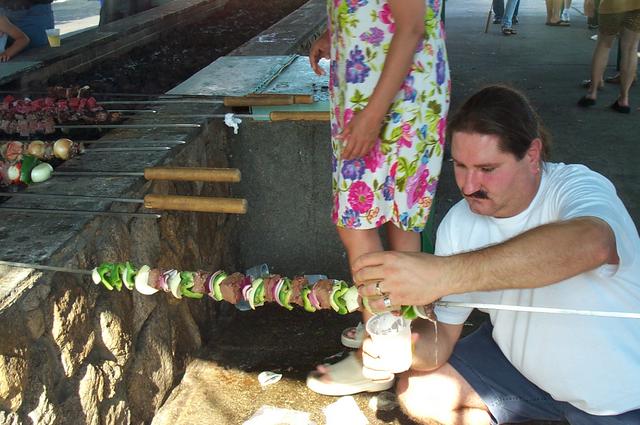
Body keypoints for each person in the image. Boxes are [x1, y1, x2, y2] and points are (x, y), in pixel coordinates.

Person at [353, 85, 640, 424]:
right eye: (460, 165)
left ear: (532, 155)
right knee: (419, 389)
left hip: (618, 397)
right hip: (527, 374)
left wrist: (443, 274)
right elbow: (440, 342)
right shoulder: (459, 222)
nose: (468, 185)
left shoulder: (577, 186)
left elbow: (594, 243)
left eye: (487, 169)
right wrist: (406, 350)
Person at [305, 0, 450, 396]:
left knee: (356, 223)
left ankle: (377, 356)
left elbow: (411, 25)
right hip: (393, 94)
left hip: (388, 103)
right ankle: (397, 328)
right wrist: (336, 31)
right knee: (399, 219)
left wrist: (371, 117)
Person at [578, 0, 640, 113]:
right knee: (631, 49)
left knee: (604, 45)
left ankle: (592, 92)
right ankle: (624, 99)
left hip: (612, 4)